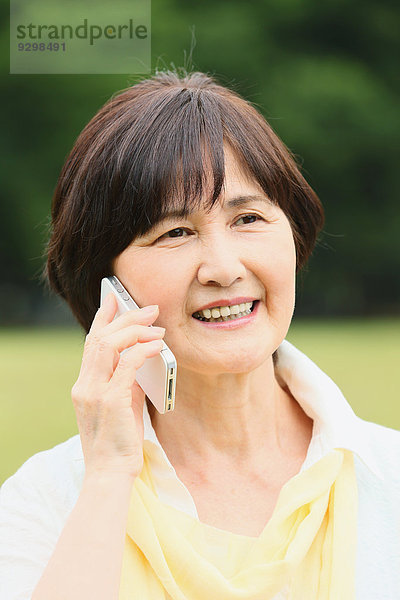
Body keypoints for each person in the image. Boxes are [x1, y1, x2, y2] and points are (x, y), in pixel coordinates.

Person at [1, 69, 399, 600]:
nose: (224, 267)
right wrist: (108, 478)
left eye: (249, 218)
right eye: (175, 232)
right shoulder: (47, 498)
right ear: (108, 287)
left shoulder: (388, 475)